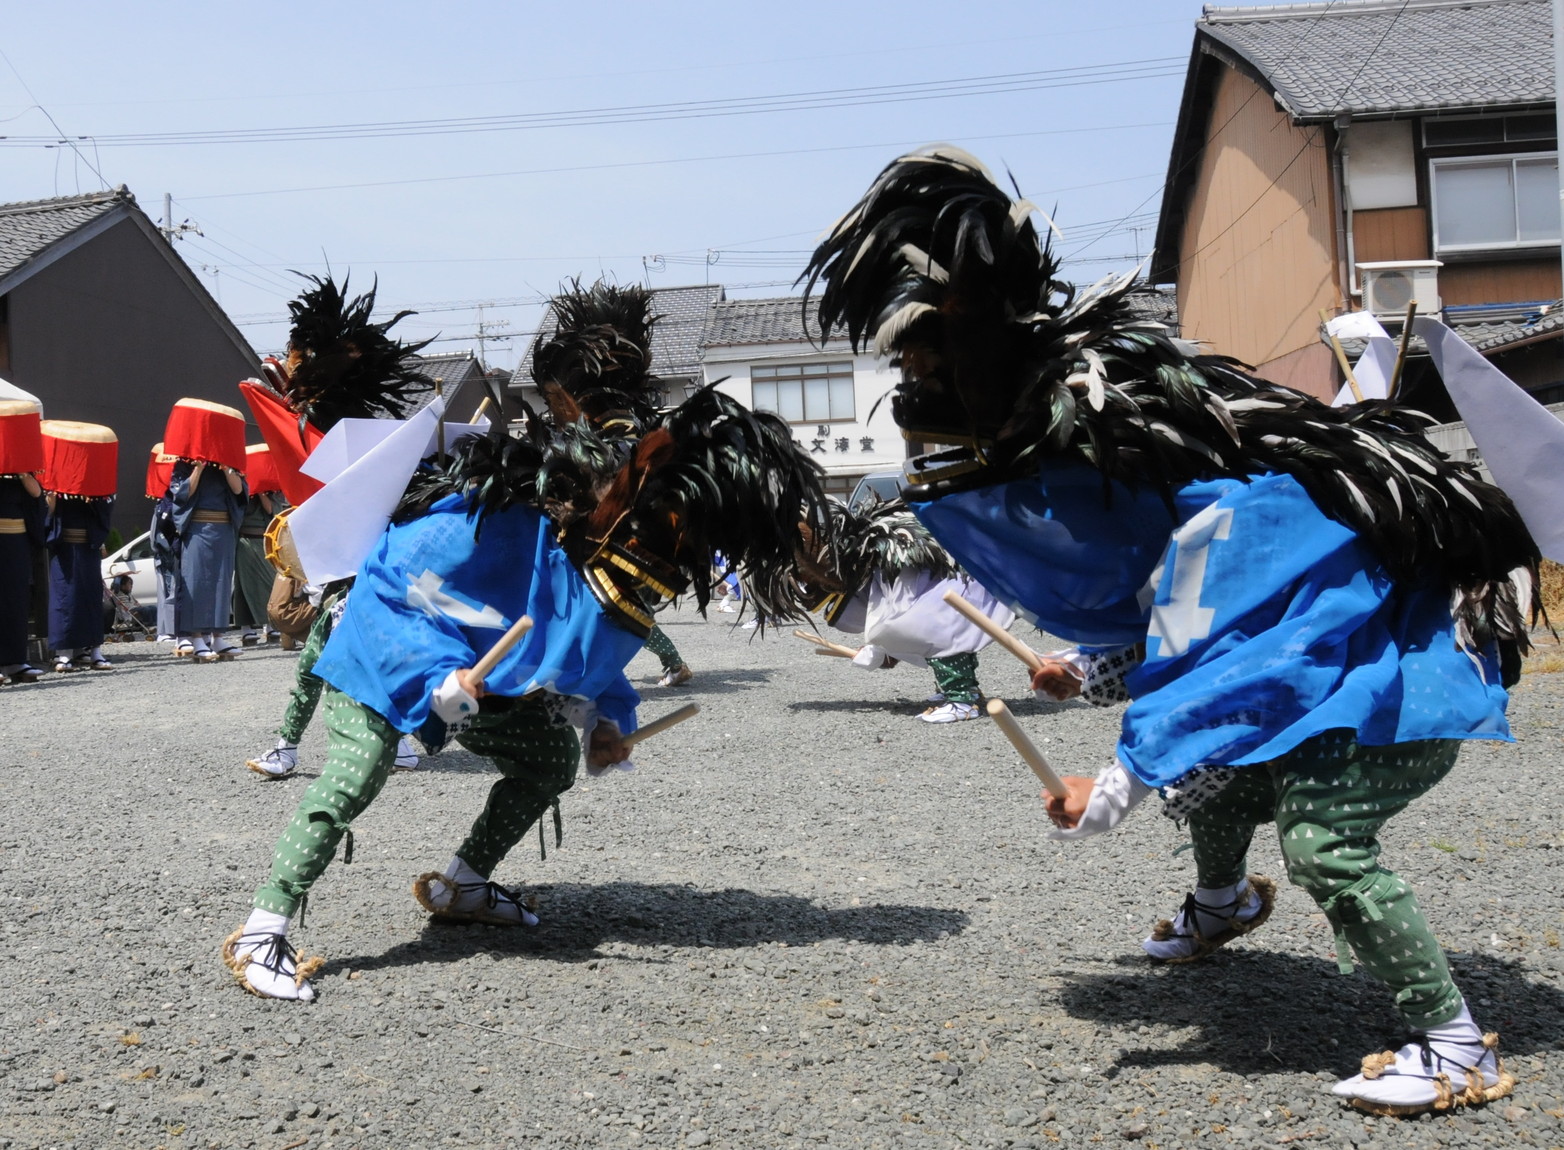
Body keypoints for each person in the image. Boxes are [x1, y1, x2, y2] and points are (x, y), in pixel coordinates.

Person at [802, 146, 1538, 1116]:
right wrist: (1085, 671)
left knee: (1322, 841)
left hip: (1400, 677)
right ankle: (1224, 904)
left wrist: (1111, 789)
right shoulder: (1148, 471)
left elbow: (1207, 648)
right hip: (1330, 674)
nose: (913, 373)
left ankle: (1453, 1047)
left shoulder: (1216, 499)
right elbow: (1170, 630)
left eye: (924, 348)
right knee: (1214, 785)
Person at [221, 389, 831, 1001]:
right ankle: (262, 928)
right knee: (360, 769)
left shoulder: (585, 555)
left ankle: (462, 883)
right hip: (382, 644)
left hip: (481, 681)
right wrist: (443, 675)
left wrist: (602, 723)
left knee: (547, 761)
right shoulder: (480, 522)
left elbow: (581, 642)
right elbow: (395, 577)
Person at [169, 457, 246, 661]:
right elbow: (182, 494)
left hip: (224, 529)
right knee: (197, 583)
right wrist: (199, 469)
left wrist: (228, 466)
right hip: (197, 528)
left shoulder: (226, 463)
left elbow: (239, 491)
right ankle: (196, 638)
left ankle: (218, 637)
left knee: (222, 582)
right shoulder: (185, 464)